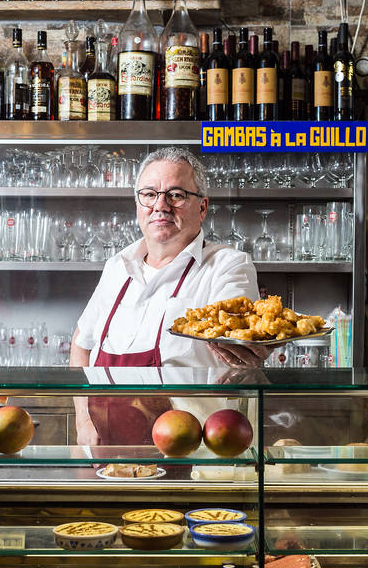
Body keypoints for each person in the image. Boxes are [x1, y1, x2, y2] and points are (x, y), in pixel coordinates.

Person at [70, 147, 269, 445]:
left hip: (194, 449)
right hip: (110, 453)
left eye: (176, 195)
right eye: (149, 194)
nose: (160, 206)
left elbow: (238, 343)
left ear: (202, 207)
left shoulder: (228, 266)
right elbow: (81, 344)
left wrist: (249, 352)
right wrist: (84, 421)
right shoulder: (116, 267)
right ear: (138, 203)